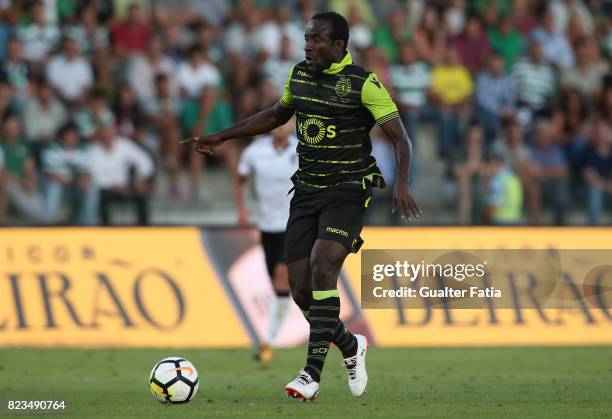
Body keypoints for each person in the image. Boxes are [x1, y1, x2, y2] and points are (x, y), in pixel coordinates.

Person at [183, 12, 420, 401]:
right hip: (306, 191)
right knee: (301, 292)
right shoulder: (299, 75)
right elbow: (276, 114)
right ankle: (350, 345)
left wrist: (402, 184)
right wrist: (224, 136)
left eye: (316, 41)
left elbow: (401, 137)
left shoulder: (364, 83)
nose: (308, 46)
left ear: (338, 46)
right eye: (306, 39)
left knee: (323, 265)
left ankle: (310, 374)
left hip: (347, 191)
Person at [234, 121, 298, 363]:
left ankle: (268, 342)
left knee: (282, 276)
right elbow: (240, 181)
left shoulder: (301, 150)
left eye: (287, 122)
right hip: (267, 226)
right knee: (278, 286)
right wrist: (241, 210)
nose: (282, 127)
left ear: (292, 126)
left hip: (293, 225)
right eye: (279, 122)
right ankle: (273, 338)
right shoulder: (254, 152)